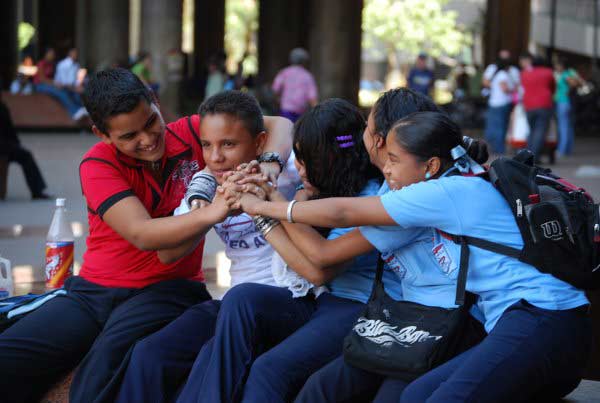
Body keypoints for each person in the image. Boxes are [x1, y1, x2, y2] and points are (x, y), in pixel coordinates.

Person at [235, 111, 590, 403]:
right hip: (519, 321)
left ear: (430, 164)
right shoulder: (456, 180)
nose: (385, 170)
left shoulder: (446, 192)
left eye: (392, 159)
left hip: (543, 318)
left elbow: (343, 214)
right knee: (416, 395)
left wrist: (265, 206)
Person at [0, 68, 293, 403]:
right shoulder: (97, 163)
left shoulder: (191, 132)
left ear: (155, 102)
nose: (148, 139)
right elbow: (142, 234)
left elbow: (279, 125)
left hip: (167, 291)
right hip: (92, 293)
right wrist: (216, 209)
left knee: (100, 373)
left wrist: (271, 162)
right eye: (129, 136)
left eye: (150, 122)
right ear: (102, 134)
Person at [175, 98, 393, 403]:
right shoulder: (320, 187)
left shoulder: (371, 198)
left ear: (331, 158)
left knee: (268, 369)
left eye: (306, 160)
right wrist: (268, 193)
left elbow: (317, 268)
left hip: (358, 306)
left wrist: (262, 208)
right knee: (239, 301)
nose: (299, 169)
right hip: (320, 300)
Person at [114, 90, 300, 403]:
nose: (215, 157)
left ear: (258, 142)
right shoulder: (205, 184)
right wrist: (208, 213)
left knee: (211, 356)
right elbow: (169, 254)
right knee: (149, 352)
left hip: (289, 300)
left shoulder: (286, 171)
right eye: (206, 145)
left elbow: (287, 130)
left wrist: (270, 176)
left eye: (228, 144)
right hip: (234, 304)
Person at [0, 90, 50, 199]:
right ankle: (37, 192)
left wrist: (15, 144)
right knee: (26, 156)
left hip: (5, 146)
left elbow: (10, 131)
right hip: (4, 147)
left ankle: (37, 191)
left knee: (26, 156)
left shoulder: (3, 107)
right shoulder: (2, 107)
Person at [34, 48, 88, 121]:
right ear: (46, 54)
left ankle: (81, 110)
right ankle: (75, 112)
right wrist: (55, 83)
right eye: (50, 54)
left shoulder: (53, 64)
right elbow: (42, 79)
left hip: (52, 84)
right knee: (60, 92)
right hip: (40, 85)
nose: (52, 56)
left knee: (73, 93)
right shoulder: (41, 63)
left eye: (53, 54)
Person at [520, 53, 556, 162]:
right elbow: (553, 87)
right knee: (540, 131)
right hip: (544, 104)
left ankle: (529, 155)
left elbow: (522, 86)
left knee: (532, 130)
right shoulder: (548, 73)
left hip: (528, 104)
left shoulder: (525, 73)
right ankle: (534, 156)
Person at [272, 47, 318, 122]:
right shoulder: (307, 76)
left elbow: (275, 89)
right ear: (304, 61)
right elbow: (312, 98)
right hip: (301, 113)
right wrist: (318, 113)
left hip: (286, 111)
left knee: (286, 132)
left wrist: (278, 100)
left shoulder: (284, 73)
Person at [484, 58, 516, 154]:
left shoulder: (495, 74)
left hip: (493, 102)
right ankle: (500, 148)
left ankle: (493, 146)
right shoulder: (503, 75)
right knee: (501, 126)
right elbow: (504, 89)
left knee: (493, 126)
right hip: (502, 103)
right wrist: (513, 89)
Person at [554, 57, 581, 157]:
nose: (556, 67)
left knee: (563, 126)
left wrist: (568, 91)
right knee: (568, 127)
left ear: (562, 66)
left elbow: (574, 84)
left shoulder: (565, 75)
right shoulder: (569, 73)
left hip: (563, 102)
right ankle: (567, 149)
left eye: (557, 65)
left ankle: (561, 150)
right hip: (567, 102)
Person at [54, 48, 88, 121]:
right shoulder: (62, 65)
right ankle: (76, 112)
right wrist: (76, 88)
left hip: (72, 87)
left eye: (76, 54)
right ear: (70, 54)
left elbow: (76, 80)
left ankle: (82, 111)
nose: (76, 55)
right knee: (70, 94)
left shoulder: (76, 65)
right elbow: (63, 82)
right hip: (62, 87)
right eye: (74, 53)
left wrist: (79, 85)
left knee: (81, 93)